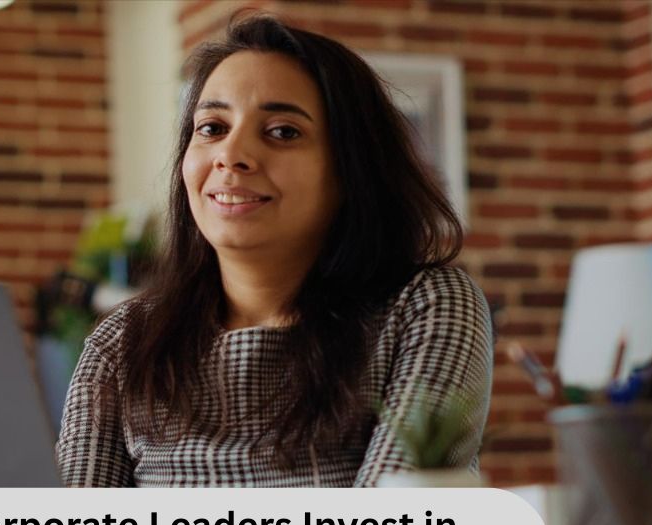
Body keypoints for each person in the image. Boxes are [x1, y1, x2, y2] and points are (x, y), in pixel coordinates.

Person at [56, 15, 493, 488]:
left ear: (351, 170)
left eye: (283, 131)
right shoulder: (122, 343)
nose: (231, 155)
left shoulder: (425, 305)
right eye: (212, 127)